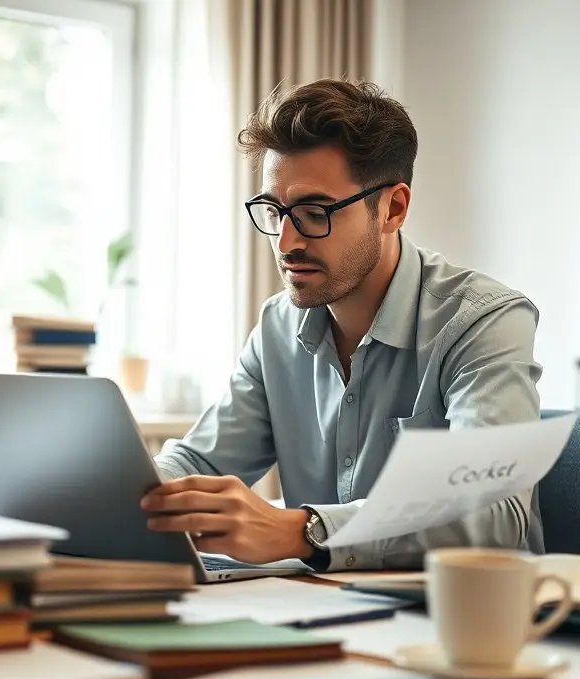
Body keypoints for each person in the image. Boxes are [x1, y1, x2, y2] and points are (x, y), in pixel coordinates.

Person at [141, 78, 543, 572]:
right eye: (275, 210)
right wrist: (134, 492)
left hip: (459, 624)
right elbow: (200, 465)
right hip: (322, 616)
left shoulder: (483, 321)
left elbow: (494, 512)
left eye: (314, 212)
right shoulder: (277, 329)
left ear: (392, 208)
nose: (286, 241)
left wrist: (301, 529)